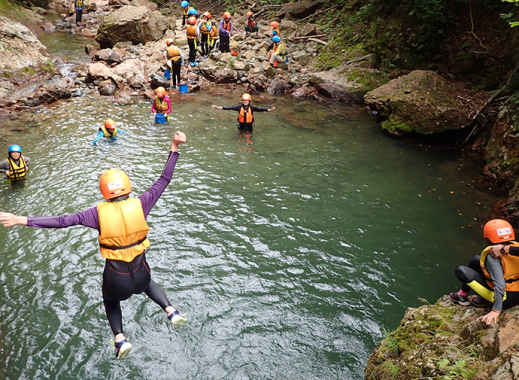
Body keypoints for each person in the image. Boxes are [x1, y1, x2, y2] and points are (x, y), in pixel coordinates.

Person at [0, 132, 188, 359]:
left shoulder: (95, 214)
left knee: (110, 300)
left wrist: (21, 219)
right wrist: (174, 146)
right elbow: (164, 179)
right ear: (127, 186)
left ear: (104, 191)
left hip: (116, 277)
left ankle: (120, 339)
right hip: (140, 273)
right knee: (146, 281)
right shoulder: (142, 203)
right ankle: (170, 310)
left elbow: (62, 222)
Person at [449, 219, 519, 326]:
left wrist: (496, 310)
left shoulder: (493, 255)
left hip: (507, 298)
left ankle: (479, 300)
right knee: (475, 260)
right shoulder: (514, 247)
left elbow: (500, 284)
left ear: (487, 238)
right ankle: (461, 295)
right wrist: (506, 248)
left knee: (461, 271)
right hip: (516, 289)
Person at [212, 93, 276, 144]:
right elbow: (228, 107)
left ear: (249, 101)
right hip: (241, 123)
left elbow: (260, 109)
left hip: (249, 124)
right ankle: (240, 139)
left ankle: (248, 140)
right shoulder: (239, 107)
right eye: (244, 100)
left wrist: (269, 109)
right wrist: (217, 107)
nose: (245, 102)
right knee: (240, 132)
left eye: (246, 100)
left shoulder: (252, 107)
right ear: (242, 101)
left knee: (249, 133)